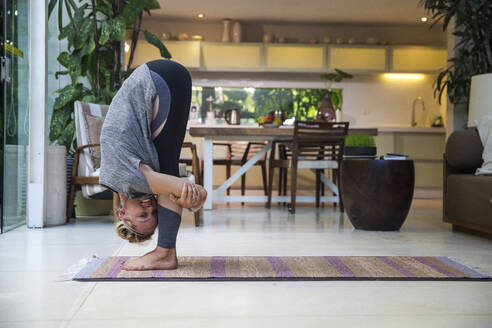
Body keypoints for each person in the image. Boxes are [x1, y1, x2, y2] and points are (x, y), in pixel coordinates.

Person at [99, 59, 206, 271]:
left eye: (142, 215)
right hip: (165, 78)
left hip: (158, 80)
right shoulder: (129, 181)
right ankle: (165, 252)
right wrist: (190, 199)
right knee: (168, 167)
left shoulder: (123, 178)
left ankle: (165, 253)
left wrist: (196, 200)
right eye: (154, 214)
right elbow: (177, 186)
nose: (149, 209)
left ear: (122, 213)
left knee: (167, 171)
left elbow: (189, 190)